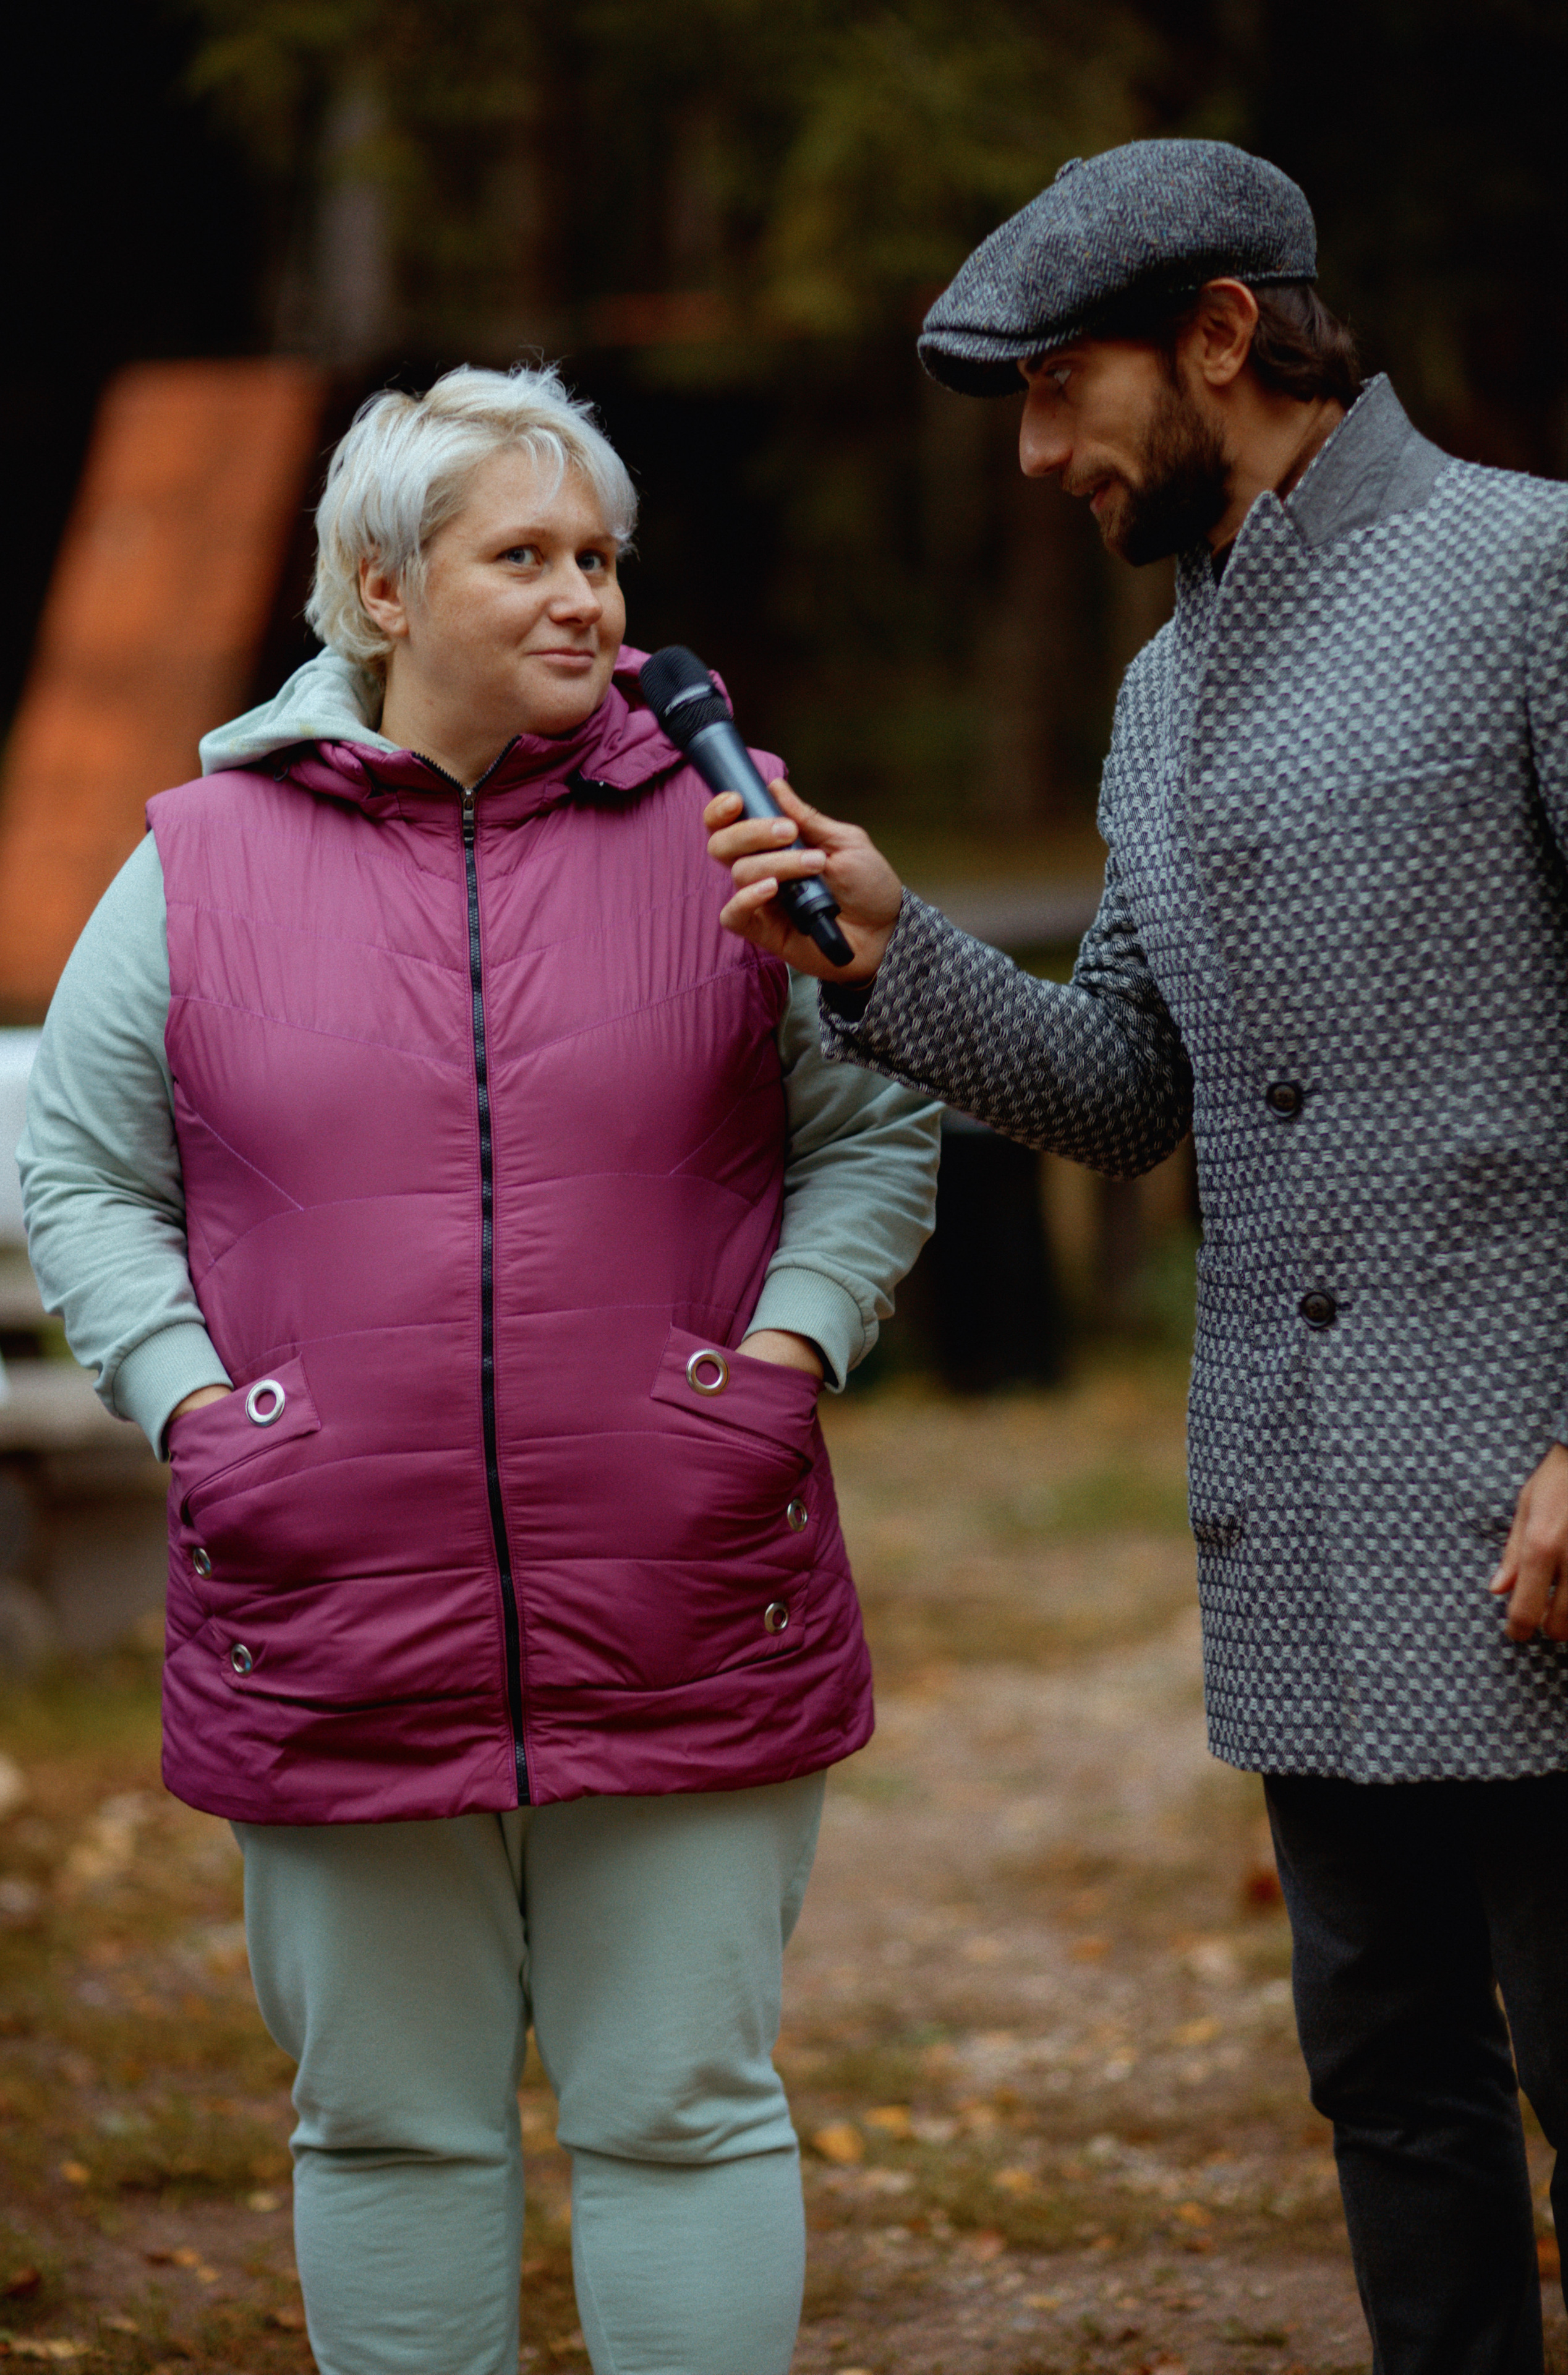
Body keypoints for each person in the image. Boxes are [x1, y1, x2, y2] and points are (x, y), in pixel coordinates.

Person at [707, 137, 1568, 2375]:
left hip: (1540, 1515)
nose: (1035, 455)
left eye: (1061, 387)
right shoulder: (1159, 699)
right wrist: (893, 960)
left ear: (1220, 336)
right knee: (1392, 2088)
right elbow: (1131, 1090)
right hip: (1304, 1522)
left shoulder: (1535, 572)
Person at [19, 362, 940, 2375]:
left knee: (685, 2115)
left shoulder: (731, 822)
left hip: (689, 1573)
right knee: (390, 2131)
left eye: (600, 557)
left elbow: (877, 1120)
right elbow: (79, 1172)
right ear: (380, 588)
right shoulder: (200, 856)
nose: (583, 600)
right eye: (521, 555)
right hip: (325, 1586)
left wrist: (780, 1364)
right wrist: (199, 1409)